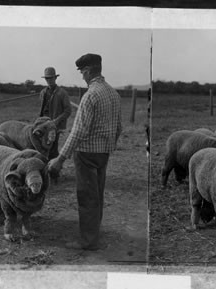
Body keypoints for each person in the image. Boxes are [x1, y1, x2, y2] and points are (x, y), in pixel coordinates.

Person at [47, 53, 122, 251]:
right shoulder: (114, 94)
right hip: (103, 153)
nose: (82, 77)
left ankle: (88, 241)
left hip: (86, 153)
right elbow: (119, 127)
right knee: (97, 195)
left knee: (87, 197)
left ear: (88, 71)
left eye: (82, 73)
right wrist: (109, 146)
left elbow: (78, 131)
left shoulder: (90, 95)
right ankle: (94, 235)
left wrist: (60, 158)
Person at [39, 67, 72, 162]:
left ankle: (54, 170)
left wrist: (57, 121)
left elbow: (68, 111)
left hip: (55, 125)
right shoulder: (43, 93)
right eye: (47, 78)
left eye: (51, 78)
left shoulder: (62, 93)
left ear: (55, 78)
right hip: (43, 124)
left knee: (53, 149)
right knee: (43, 147)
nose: (49, 80)